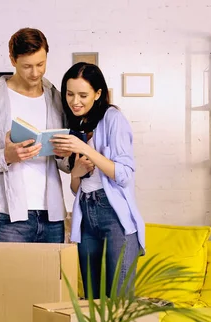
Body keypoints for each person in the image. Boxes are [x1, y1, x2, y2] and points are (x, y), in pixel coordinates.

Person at [0, 27, 71, 243]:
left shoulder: (56, 99)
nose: (35, 73)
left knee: (49, 279)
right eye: (27, 66)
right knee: (4, 278)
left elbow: (66, 162)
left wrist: (63, 153)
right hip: (7, 217)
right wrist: (6, 157)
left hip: (52, 216)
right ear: (12, 60)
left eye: (41, 64)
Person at [50, 62, 145, 298]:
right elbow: (76, 189)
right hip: (85, 214)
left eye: (83, 95)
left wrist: (85, 149)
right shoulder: (77, 124)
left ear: (98, 93)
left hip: (113, 216)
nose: (75, 101)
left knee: (119, 300)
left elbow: (123, 175)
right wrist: (75, 173)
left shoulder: (113, 119)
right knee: (92, 300)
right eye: (70, 94)